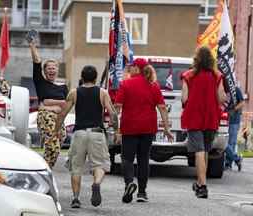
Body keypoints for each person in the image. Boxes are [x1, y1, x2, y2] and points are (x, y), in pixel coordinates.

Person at [57, 65, 118, 208]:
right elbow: (113, 114)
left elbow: (62, 114)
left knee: (76, 167)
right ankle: (96, 184)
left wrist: (56, 130)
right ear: (96, 78)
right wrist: (117, 131)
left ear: (82, 77)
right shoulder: (102, 93)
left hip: (79, 133)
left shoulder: (74, 92)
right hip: (97, 133)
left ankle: (76, 198)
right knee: (100, 164)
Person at [115, 58, 173, 203]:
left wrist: (116, 128)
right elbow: (162, 108)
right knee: (143, 158)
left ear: (137, 68)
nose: (130, 69)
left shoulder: (125, 84)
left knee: (127, 158)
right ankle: (142, 192)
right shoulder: (153, 85)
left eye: (132, 67)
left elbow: (117, 107)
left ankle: (129, 183)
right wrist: (166, 128)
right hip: (148, 128)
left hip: (129, 127)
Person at [181, 46, 226, 199]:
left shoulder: (188, 76)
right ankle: (200, 183)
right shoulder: (217, 76)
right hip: (211, 117)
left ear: (197, 59)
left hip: (194, 117)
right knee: (205, 150)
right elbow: (221, 98)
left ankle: (203, 186)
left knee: (199, 151)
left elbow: (184, 99)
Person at [29, 39, 68, 168]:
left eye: (54, 68)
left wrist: (48, 103)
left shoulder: (63, 87)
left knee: (57, 144)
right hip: (46, 117)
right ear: (45, 71)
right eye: (49, 68)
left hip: (59, 119)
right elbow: (36, 62)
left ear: (57, 70)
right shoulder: (41, 82)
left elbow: (66, 104)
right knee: (53, 146)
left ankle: (44, 168)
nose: (51, 70)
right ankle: (44, 169)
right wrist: (32, 46)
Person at [225, 86, 245, 171]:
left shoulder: (235, 89)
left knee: (230, 142)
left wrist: (233, 109)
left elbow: (242, 102)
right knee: (225, 143)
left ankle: (228, 164)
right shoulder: (222, 89)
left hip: (234, 120)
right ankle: (237, 159)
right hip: (224, 120)